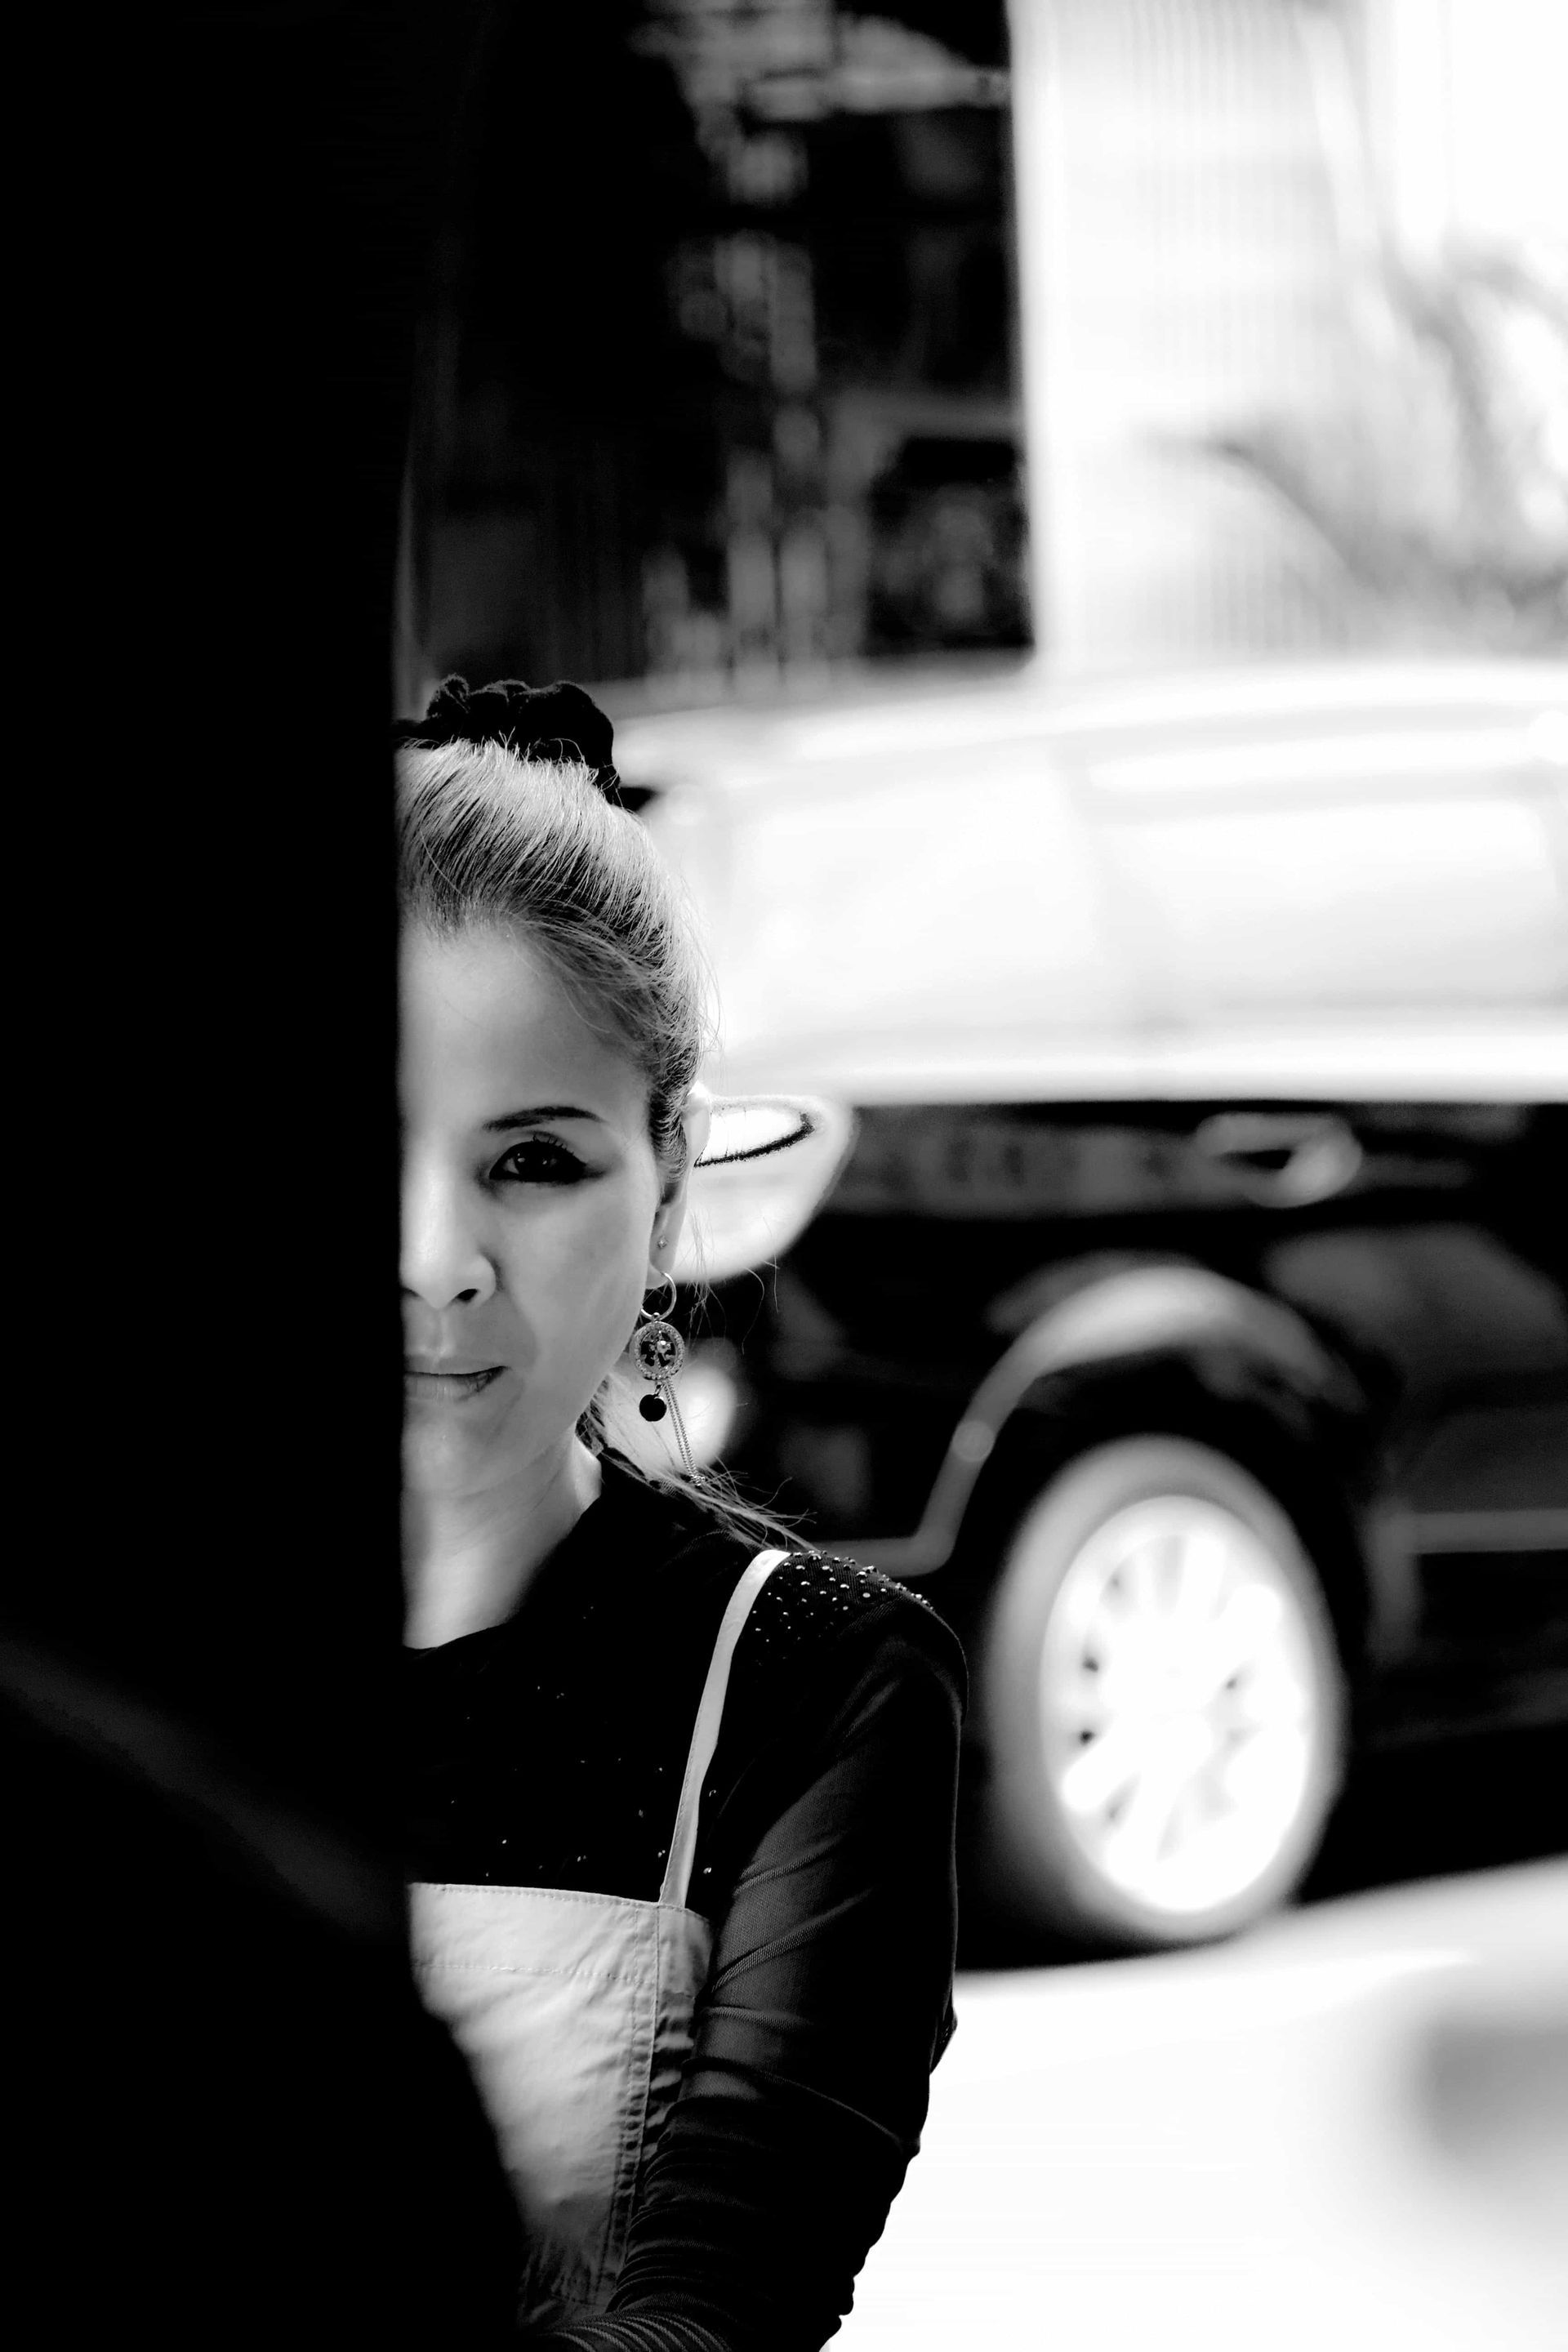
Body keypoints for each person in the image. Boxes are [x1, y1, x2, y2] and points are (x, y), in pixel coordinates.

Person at [397, 675, 965, 2351]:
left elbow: (720, 2306)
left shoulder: (811, 1681)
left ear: (665, 1197)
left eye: (534, 1162)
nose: (435, 1260)